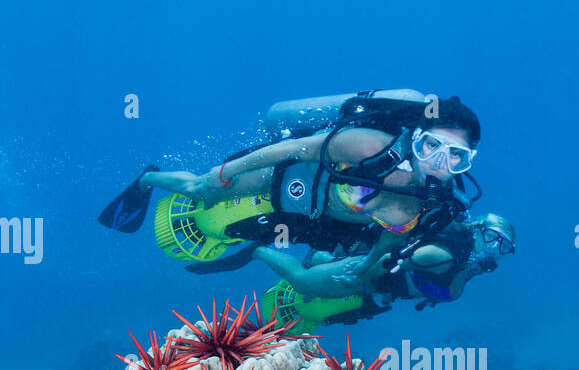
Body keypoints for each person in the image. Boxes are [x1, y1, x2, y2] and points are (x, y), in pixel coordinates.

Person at [98, 91, 481, 284]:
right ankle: (149, 179)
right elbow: (298, 148)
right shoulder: (370, 147)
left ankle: (249, 247)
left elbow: (387, 240)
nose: (438, 164)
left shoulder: (428, 207)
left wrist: (364, 268)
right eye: (432, 147)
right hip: (283, 175)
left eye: (456, 158)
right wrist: (232, 169)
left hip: (302, 216)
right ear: (415, 138)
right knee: (203, 189)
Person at [259, 211, 516, 330]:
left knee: (325, 309)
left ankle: (325, 257)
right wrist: (358, 274)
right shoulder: (446, 255)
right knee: (302, 282)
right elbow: (395, 261)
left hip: (376, 288)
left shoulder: (466, 263)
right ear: (479, 229)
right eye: (492, 237)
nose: (494, 248)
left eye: (504, 246)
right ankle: (257, 250)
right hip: (367, 273)